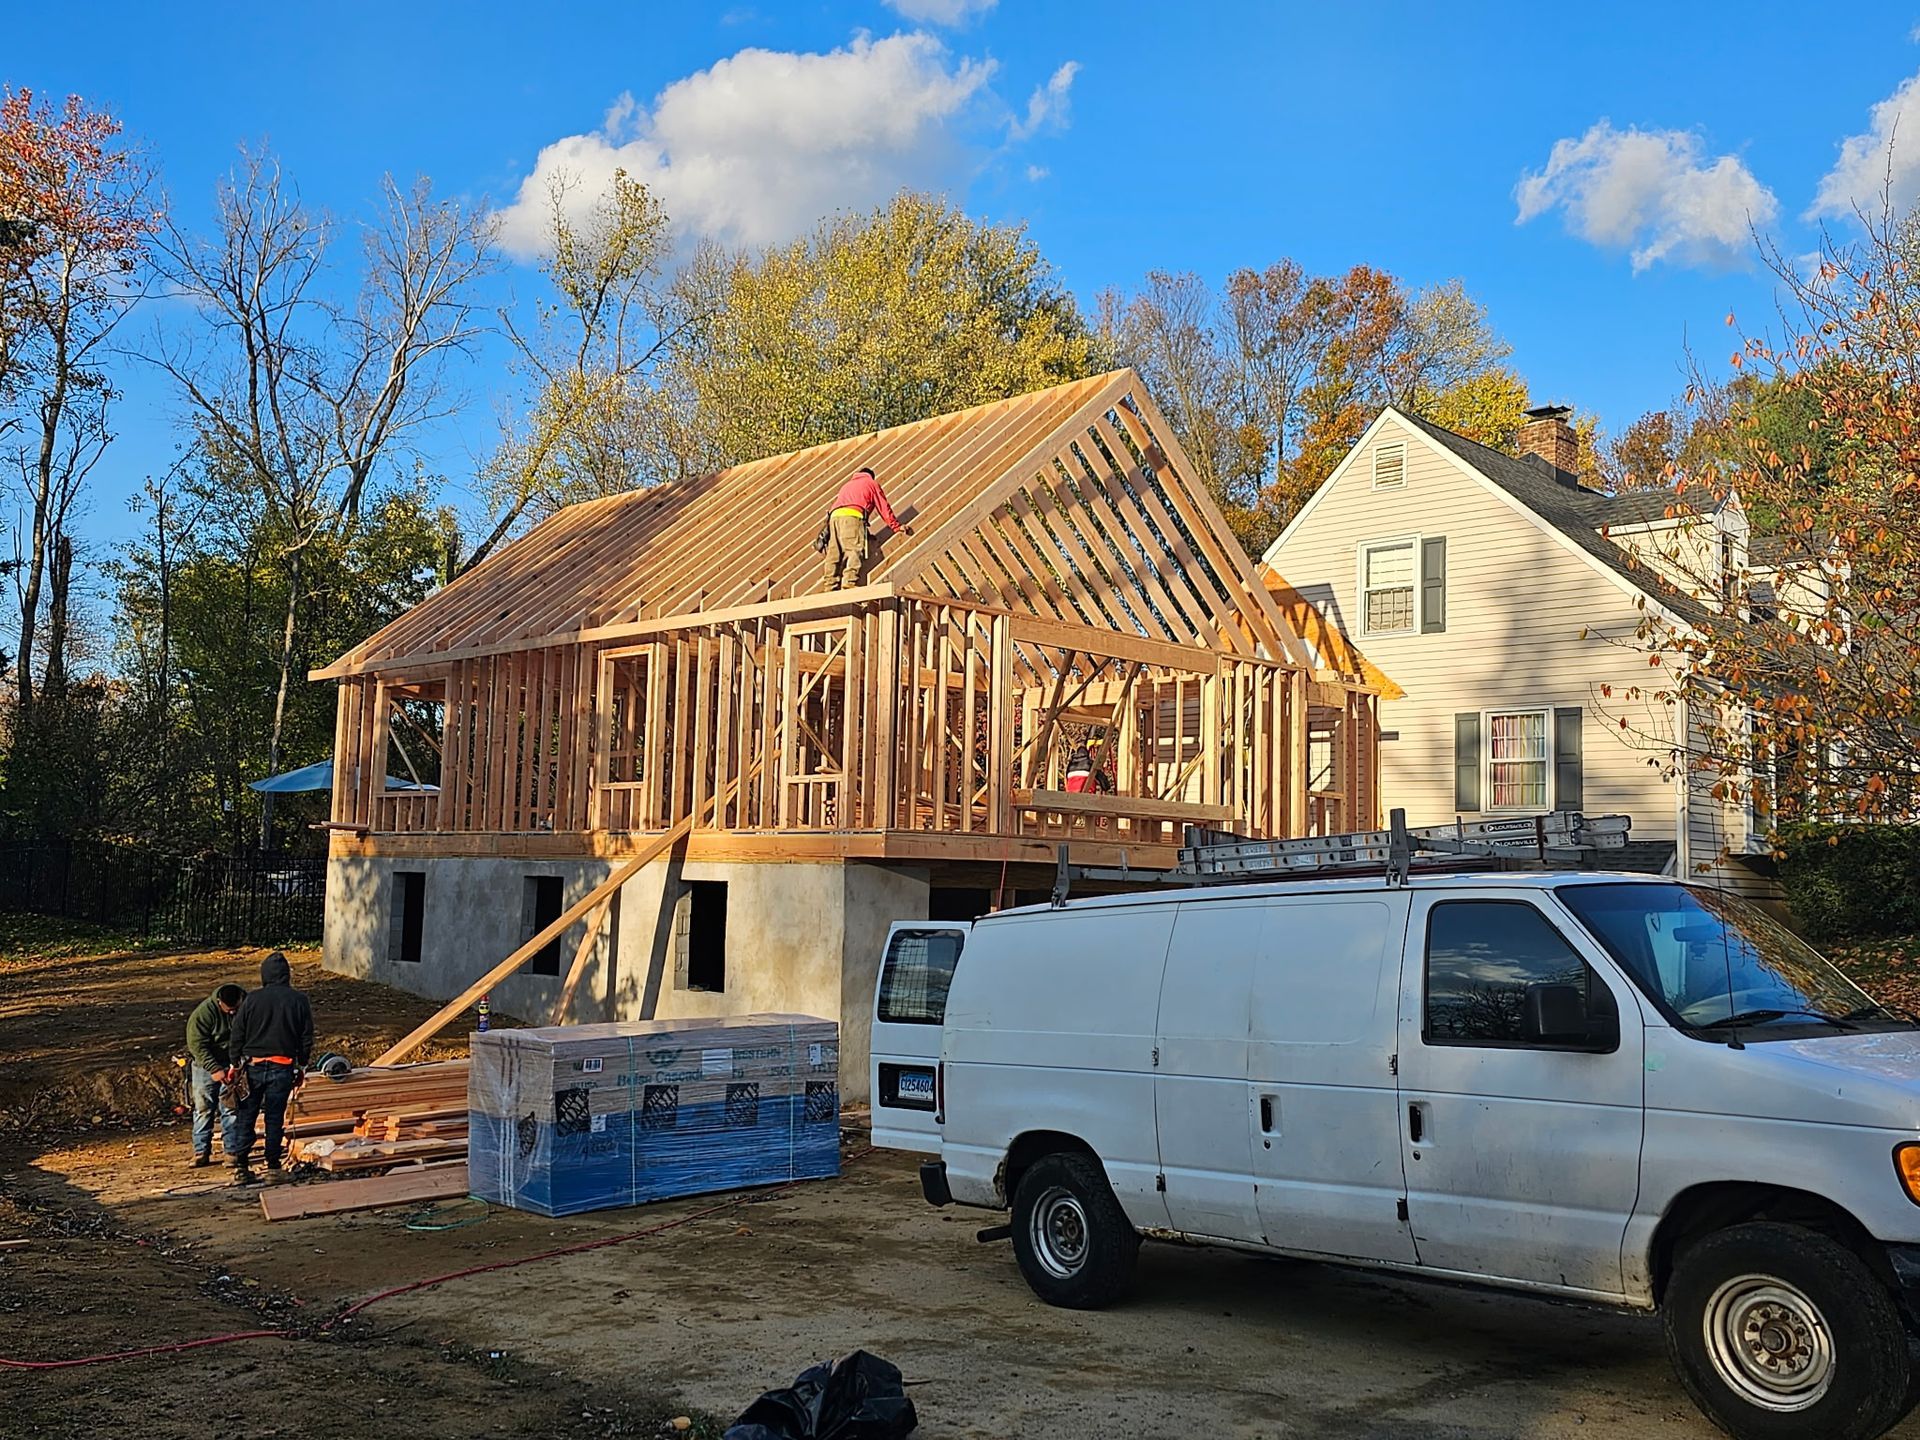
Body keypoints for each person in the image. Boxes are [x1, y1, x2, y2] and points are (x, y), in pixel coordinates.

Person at [226, 951, 315, 1184]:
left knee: (246, 1116)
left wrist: (235, 1064)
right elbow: (306, 1037)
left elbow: (237, 1034)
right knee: (274, 1118)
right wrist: (302, 1065)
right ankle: (273, 1168)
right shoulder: (299, 1000)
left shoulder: (252, 1000)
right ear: (287, 975)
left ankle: (241, 1168)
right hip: (282, 1067)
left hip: (252, 1067)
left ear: (264, 975)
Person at [183, 983, 245, 1168]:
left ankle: (231, 1151)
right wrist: (214, 1069)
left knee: (231, 1108)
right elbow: (197, 1045)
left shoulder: (247, 1006)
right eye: (229, 1010)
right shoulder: (203, 1014)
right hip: (206, 1065)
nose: (233, 1013)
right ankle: (201, 1150)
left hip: (234, 1061)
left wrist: (238, 1064)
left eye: (236, 1009)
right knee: (203, 1108)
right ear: (219, 1003)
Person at [821, 466, 910, 591]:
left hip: (834, 518)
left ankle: (829, 586)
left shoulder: (846, 485)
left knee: (834, 553)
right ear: (871, 476)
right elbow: (883, 508)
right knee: (854, 550)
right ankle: (849, 583)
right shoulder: (871, 484)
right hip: (852, 516)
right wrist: (896, 527)